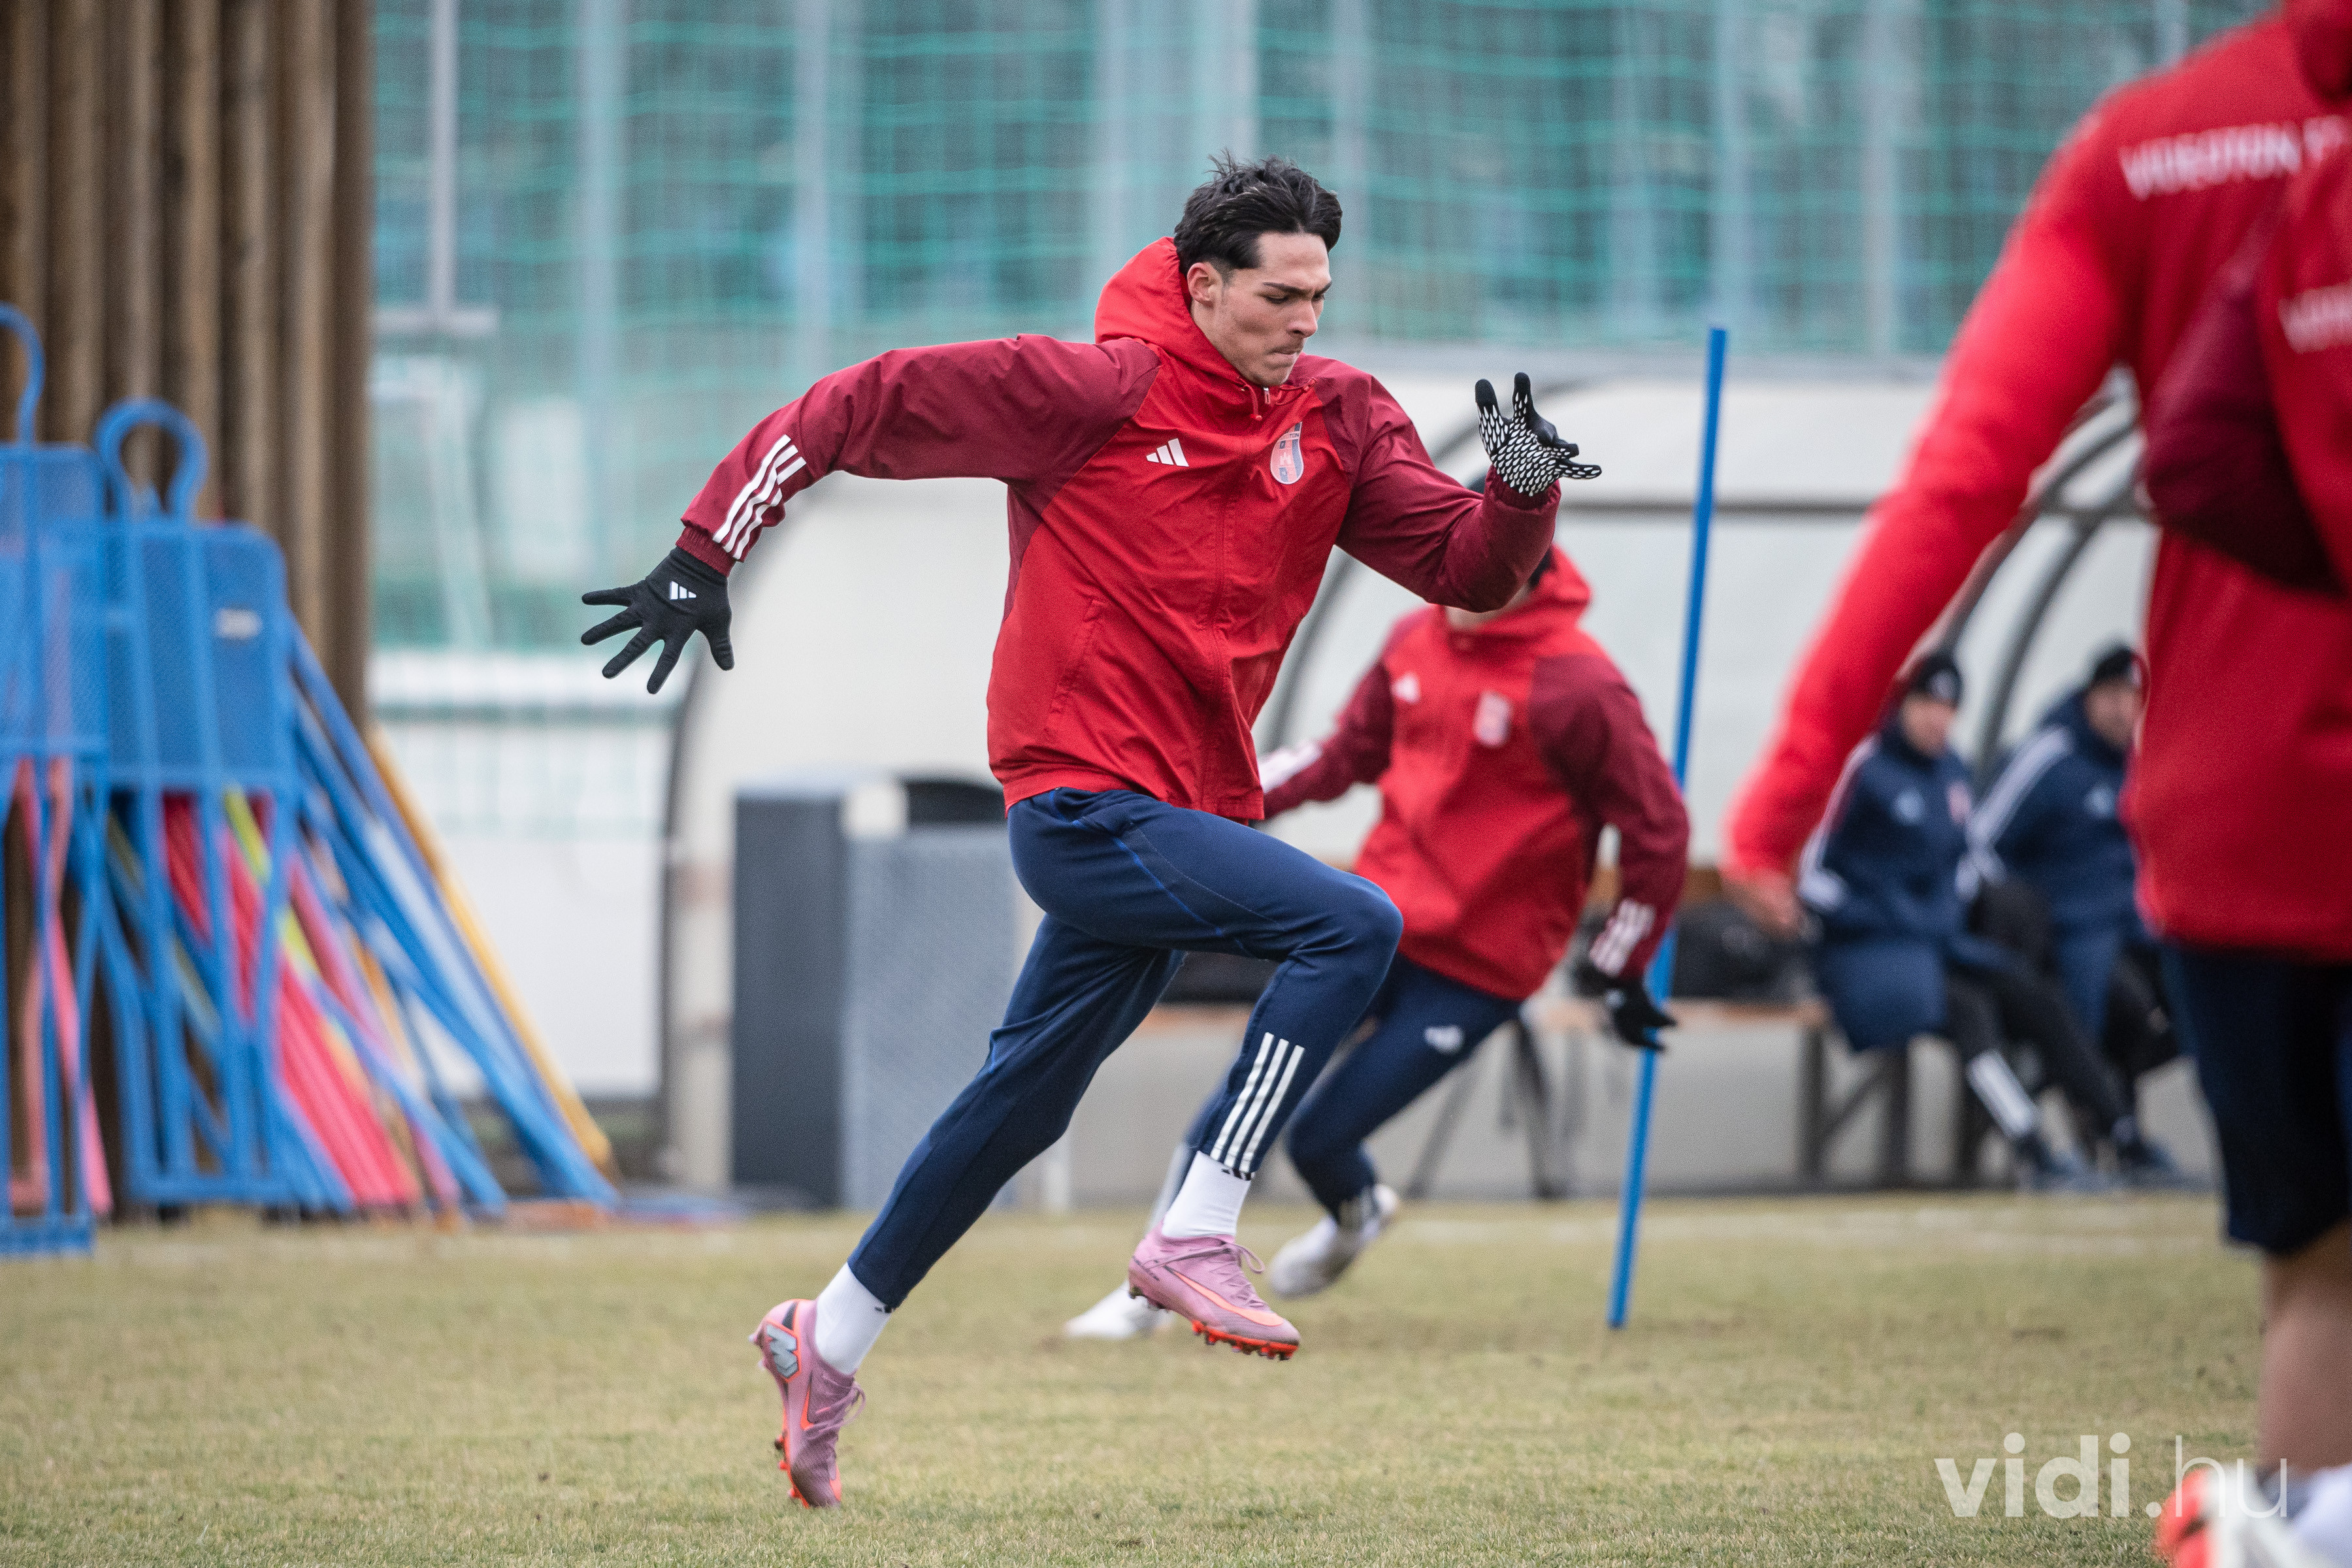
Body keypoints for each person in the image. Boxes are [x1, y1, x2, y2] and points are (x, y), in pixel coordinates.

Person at [581, 155, 1601, 1508]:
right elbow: (851, 405)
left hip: (1183, 814)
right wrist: (707, 547)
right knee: (1351, 924)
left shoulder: (1342, 417)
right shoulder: (1089, 392)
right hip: (1077, 804)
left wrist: (1520, 488)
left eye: (1321, 296)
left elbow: (1464, 567)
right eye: (1280, 297)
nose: (1306, 320)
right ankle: (1197, 1225)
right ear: (1204, 286)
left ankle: (824, 1339)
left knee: (1020, 1104)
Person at [1710, 2, 2352, 1558]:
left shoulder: (2149, 148)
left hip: (2241, 822)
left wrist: (1782, 789)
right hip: (2187, 856)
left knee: (2320, 1272)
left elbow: (1965, 478)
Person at [1066, 538, 1687, 1337]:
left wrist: (1623, 966)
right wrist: (1214, 805)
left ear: (1524, 578)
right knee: (1245, 1094)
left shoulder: (1581, 685)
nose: (1452, 594)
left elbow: (1658, 827)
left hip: (1480, 970)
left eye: (1479, 578)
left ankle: (1355, 1218)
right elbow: (1342, 754)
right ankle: (1145, 1299)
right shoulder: (1413, 639)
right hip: (1373, 928)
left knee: (1322, 1141)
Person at [2134, 63, 2352, 1565]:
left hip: (2226, 846)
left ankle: (2285, 1528)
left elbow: (2193, 452)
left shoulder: (2304, 196)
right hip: (2252, 844)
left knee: (2318, 1257)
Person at [1799, 653, 2172, 1186]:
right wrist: (1876, 916)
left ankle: (2122, 1135)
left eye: (1949, 708)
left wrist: (1969, 912)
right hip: (1876, 952)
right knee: (1970, 1012)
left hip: (1940, 944)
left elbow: (1968, 861)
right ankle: (2035, 1150)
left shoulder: (1953, 772)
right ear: (1901, 705)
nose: (1938, 719)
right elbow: (1813, 873)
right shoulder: (1864, 766)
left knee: (2040, 1000)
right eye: (1926, 704)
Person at [1968, 644, 2181, 1122]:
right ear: (2090, 697)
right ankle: (2096, 1110)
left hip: (2132, 926)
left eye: (2134, 699)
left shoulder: (2140, 763)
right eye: (2113, 696)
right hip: (2068, 934)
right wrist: (2022, 919)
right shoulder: (2050, 757)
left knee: (2197, 1000)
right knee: (2111, 1008)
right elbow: (1979, 841)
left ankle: (2108, 1106)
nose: (2124, 711)